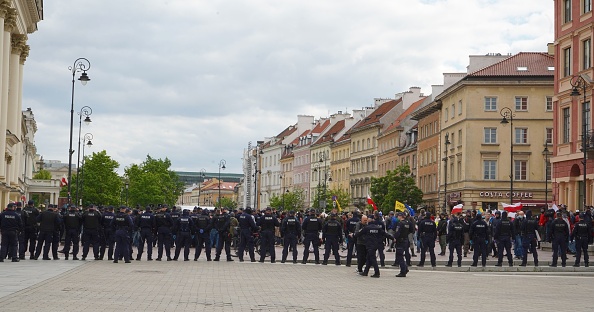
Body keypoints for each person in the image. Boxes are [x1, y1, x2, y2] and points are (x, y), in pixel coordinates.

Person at [393, 212, 410, 277]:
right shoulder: (407, 223)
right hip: (405, 240)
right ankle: (405, 268)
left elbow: (398, 232)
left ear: (401, 216)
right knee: (402, 255)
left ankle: (403, 271)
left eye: (398, 216)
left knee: (399, 256)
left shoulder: (400, 224)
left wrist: (394, 238)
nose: (397, 217)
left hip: (400, 241)